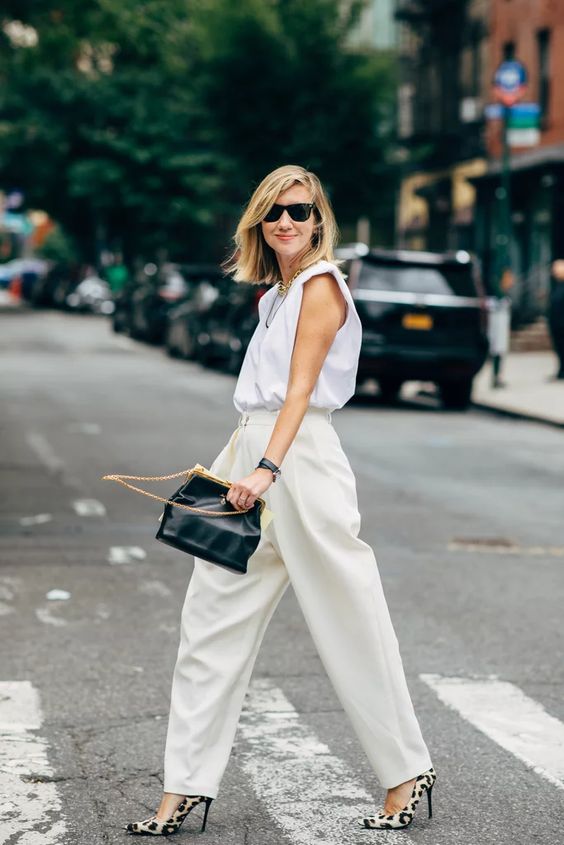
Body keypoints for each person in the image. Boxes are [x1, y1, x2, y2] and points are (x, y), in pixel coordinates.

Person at [124, 165, 435, 837]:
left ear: (319, 219)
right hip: (251, 451)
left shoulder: (321, 287)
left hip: (299, 461)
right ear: (259, 223)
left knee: (347, 614)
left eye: (299, 210)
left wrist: (267, 467)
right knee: (209, 618)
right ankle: (184, 785)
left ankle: (406, 770)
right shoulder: (277, 296)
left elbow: (300, 392)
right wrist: (246, 459)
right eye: (274, 213)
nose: (287, 222)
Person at [548, 259, 564, 380]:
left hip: (561, 324)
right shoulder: (556, 286)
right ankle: (561, 371)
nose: (555, 271)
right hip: (556, 324)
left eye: (558, 269)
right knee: (559, 348)